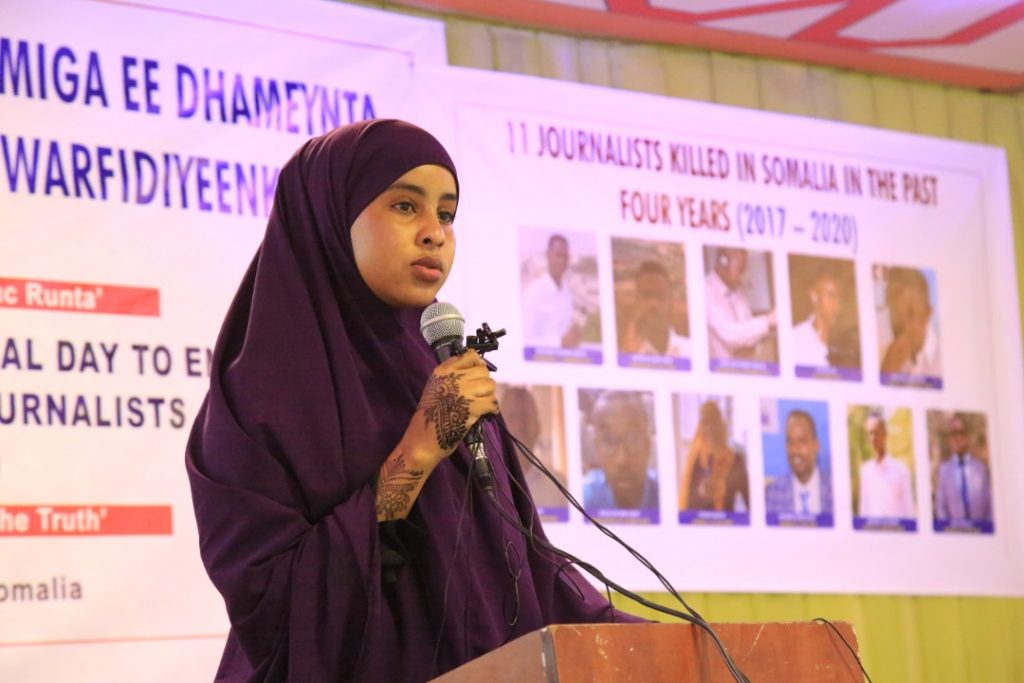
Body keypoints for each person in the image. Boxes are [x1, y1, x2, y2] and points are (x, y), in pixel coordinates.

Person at [185, 120, 637, 682]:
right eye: (405, 206)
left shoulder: (444, 374)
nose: (434, 233)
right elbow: (277, 611)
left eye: (446, 214)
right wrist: (417, 451)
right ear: (329, 217)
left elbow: (528, 575)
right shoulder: (256, 400)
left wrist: (679, 647)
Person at [582, 391, 659, 510]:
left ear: (647, 446)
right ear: (597, 448)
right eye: (609, 441)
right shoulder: (583, 497)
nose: (622, 460)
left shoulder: (669, 494)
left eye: (632, 440)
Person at [500, 385, 568, 510]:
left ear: (538, 427)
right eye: (512, 416)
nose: (520, 425)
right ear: (498, 428)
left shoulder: (560, 487)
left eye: (526, 416)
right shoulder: (480, 484)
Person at [705, 247, 777, 362]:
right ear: (723, 263)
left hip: (742, 367)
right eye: (740, 269)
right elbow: (729, 334)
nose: (743, 275)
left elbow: (749, 333)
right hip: (718, 372)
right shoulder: (706, 290)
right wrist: (767, 321)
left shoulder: (737, 289)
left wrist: (749, 344)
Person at [679, 400, 750, 512]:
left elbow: (751, 504)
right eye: (704, 422)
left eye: (713, 422)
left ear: (720, 425)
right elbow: (686, 504)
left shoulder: (736, 461)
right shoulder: (695, 459)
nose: (709, 428)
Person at [765, 410, 833, 516]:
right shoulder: (771, 494)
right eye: (790, 442)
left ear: (816, 446)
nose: (795, 450)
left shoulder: (833, 490)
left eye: (802, 442)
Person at [521, 234, 584, 349]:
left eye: (565, 256)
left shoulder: (566, 292)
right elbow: (525, 341)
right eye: (558, 255)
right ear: (548, 255)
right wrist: (559, 343)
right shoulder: (534, 292)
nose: (562, 261)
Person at [619, 260, 690, 357]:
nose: (653, 304)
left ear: (671, 302)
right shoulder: (628, 353)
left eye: (660, 295)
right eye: (646, 295)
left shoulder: (691, 350)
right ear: (637, 301)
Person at [880, 267, 941, 376]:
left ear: (926, 314)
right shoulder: (885, 358)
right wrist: (885, 375)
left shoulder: (944, 359)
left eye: (910, 313)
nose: (903, 324)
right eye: (896, 312)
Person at [934, 413, 992, 523]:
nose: (958, 438)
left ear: (967, 436)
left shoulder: (980, 469)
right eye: (954, 433)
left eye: (961, 432)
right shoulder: (944, 471)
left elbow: (990, 507)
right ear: (949, 438)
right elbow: (941, 508)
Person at [857, 413, 915, 518]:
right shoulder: (865, 471)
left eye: (876, 433)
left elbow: (908, 510)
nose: (873, 438)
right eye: (870, 433)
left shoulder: (901, 470)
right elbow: (864, 510)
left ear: (885, 434)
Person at [792, 269, 842, 368]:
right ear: (814, 296)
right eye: (831, 296)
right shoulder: (797, 338)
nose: (837, 306)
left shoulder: (845, 345)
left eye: (840, 298)